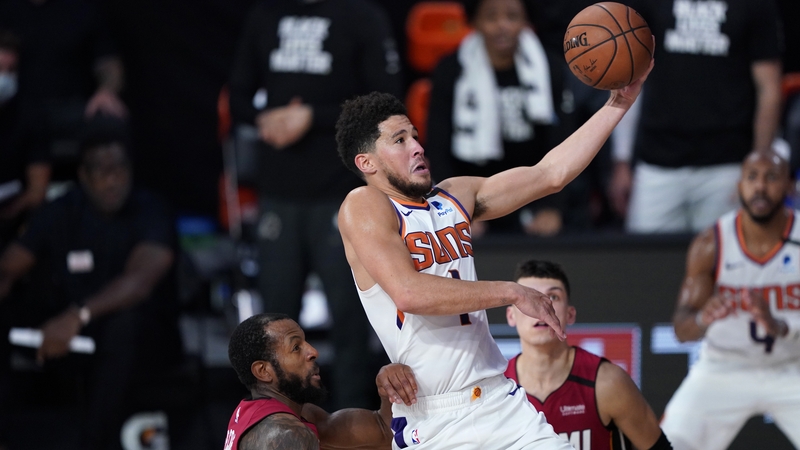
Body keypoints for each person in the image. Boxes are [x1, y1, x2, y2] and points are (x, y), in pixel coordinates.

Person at [333, 53, 652, 448]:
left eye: (415, 135)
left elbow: (550, 174)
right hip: (434, 417)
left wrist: (618, 102)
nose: (417, 147)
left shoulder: (453, 196)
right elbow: (409, 293)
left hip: (500, 402)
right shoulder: (364, 205)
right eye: (400, 141)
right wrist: (513, 291)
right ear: (367, 162)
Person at [228, 0, 403, 410]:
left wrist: (313, 116)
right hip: (278, 192)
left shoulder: (362, 16)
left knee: (352, 318)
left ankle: (359, 420)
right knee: (273, 326)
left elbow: (386, 100)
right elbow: (236, 94)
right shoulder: (264, 15)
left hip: (342, 193)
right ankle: (279, 419)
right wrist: (263, 120)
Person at [0, 132, 183, 450]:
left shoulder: (150, 209)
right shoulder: (61, 209)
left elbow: (140, 282)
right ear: (83, 175)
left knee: (125, 325)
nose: (113, 180)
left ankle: (94, 443)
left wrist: (76, 316)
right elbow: (9, 267)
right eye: (102, 171)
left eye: (120, 169)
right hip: (64, 336)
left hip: (136, 340)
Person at [662, 149, 800, 449]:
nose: (760, 187)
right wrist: (702, 318)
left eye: (772, 177)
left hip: (794, 365)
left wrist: (780, 325)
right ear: (739, 186)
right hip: (725, 366)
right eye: (752, 177)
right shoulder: (711, 243)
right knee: (670, 443)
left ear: (790, 186)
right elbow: (681, 330)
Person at [609, 0, 784, 233]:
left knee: (724, 265)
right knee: (645, 264)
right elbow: (629, 77)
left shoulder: (755, 5)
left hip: (727, 165)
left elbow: (769, 89)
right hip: (656, 161)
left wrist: (755, 169)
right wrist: (622, 161)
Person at [426, 0, 577, 237]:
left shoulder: (550, 68)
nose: (501, 26)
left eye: (512, 16)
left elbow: (562, 143)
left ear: (526, 21)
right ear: (474, 21)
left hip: (536, 192)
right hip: (472, 195)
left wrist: (552, 208)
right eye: (491, 16)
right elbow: (438, 146)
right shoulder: (451, 69)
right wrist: (457, 208)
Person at [504, 259, 671, 450]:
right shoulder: (497, 388)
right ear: (511, 316)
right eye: (529, 298)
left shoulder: (607, 382)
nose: (542, 308)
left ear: (570, 314)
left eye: (553, 297)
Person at [224, 312, 419, 450]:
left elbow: (385, 434)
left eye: (305, 342)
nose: (313, 352)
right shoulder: (282, 434)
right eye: (296, 348)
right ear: (263, 371)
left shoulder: (296, 414)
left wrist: (388, 390)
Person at [0, 0, 128, 182]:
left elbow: (108, 62)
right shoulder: (6, 8)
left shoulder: (82, 8)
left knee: (111, 121)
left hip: (70, 110)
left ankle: (106, 199)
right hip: (15, 110)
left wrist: (106, 91)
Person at [0, 29, 50, 246]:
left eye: (10, 71)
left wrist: (12, 209)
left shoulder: (28, 117)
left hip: (9, 218)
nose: (3, 79)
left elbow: (37, 190)